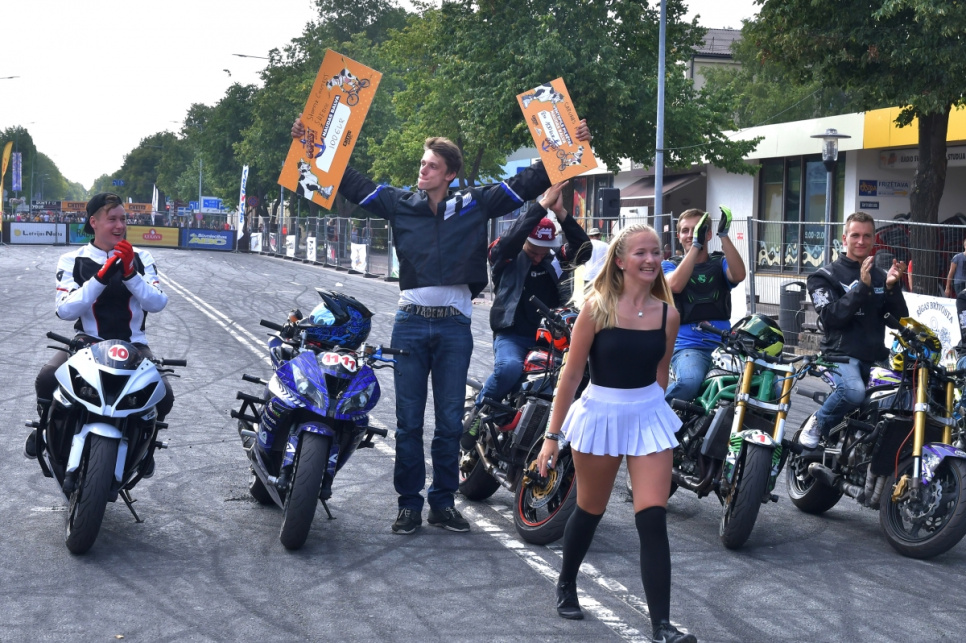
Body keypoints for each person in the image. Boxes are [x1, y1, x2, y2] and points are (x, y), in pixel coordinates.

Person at [292, 115, 591, 535]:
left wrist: (569, 147)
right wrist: (312, 147)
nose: (423, 170)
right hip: (410, 324)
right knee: (409, 423)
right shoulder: (399, 202)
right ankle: (409, 505)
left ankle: (443, 503)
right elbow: (353, 184)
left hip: (454, 327)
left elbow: (528, 182)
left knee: (450, 422)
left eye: (432, 165)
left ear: (450, 174)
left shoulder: (475, 202)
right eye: (422, 163)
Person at [535, 223, 695, 643]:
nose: (650, 259)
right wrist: (552, 437)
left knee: (653, 516)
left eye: (656, 252)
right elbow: (571, 376)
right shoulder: (597, 308)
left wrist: (650, 411)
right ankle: (567, 582)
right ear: (620, 261)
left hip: (648, 415)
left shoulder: (668, 315)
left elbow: (661, 375)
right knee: (590, 508)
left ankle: (661, 626)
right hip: (600, 413)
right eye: (640, 252)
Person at [24, 193, 173, 468]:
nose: (120, 226)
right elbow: (65, 310)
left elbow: (157, 303)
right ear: (93, 222)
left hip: (134, 345)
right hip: (87, 341)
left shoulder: (142, 257)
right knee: (46, 377)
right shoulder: (72, 259)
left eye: (123, 219)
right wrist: (101, 277)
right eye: (112, 219)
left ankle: (146, 449)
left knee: (164, 394)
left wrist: (130, 274)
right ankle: (43, 427)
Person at [470, 181, 589, 419]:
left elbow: (584, 249)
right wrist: (541, 205)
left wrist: (560, 212)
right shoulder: (506, 258)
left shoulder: (556, 259)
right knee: (509, 369)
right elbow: (509, 240)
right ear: (524, 240)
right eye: (533, 251)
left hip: (551, 339)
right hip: (512, 335)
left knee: (578, 375)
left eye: (543, 252)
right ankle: (475, 416)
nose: (537, 257)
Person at [799, 211, 908, 448]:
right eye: (855, 235)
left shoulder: (881, 276)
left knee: (905, 395)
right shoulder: (823, 276)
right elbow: (831, 318)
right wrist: (861, 288)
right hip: (840, 356)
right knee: (853, 392)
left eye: (867, 236)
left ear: (874, 239)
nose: (861, 241)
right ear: (844, 238)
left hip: (876, 358)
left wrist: (892, 288)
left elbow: (899, 321)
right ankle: (818, 421)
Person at [662, 207, 745, 404]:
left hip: (723, 346)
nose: (691, 234)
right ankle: (656, 416)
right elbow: (675, 285)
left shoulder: (720, 262)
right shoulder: (669, 265)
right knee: (690, 382)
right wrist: (696, 246)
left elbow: (739, 275)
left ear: (708, 234)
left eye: (697, 230)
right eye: (685, 230)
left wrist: (723, 235)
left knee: (762, 384)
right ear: (678, 236)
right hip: (688, 347)